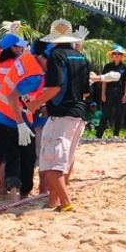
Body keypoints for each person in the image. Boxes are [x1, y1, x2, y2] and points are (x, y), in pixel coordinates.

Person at [28, 19, 91, 212]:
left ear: (54, 39)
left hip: (62, 115)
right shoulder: (81, 57)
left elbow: (55, 87)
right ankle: (52, 202)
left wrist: (36, 103)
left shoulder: (56, 56)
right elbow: (86, 92)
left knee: (49, 164)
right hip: (79, 114)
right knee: (63, 162)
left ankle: (65, 203)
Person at [0, 33, 44, 198]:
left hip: (0, 113)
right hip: (13, 118)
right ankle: (17, 194)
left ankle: (8, 192)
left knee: (12, 156)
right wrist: (21, 123)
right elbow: (14, 95)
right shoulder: (35, 74)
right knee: (20, 157)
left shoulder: (25, 58)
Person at [96, 45, 126, 139]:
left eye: (119, 54)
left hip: (120, 92)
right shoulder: (108, 66)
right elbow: (104, 80)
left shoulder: (125, 67)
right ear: (112, 55)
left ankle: (116, 134)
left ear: (121, 56)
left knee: (120, 114)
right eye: (115, 53)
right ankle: (99, 135)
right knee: (105, 113)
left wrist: (125, 94)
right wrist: (103, 93)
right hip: (109, 91)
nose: (116, 55)